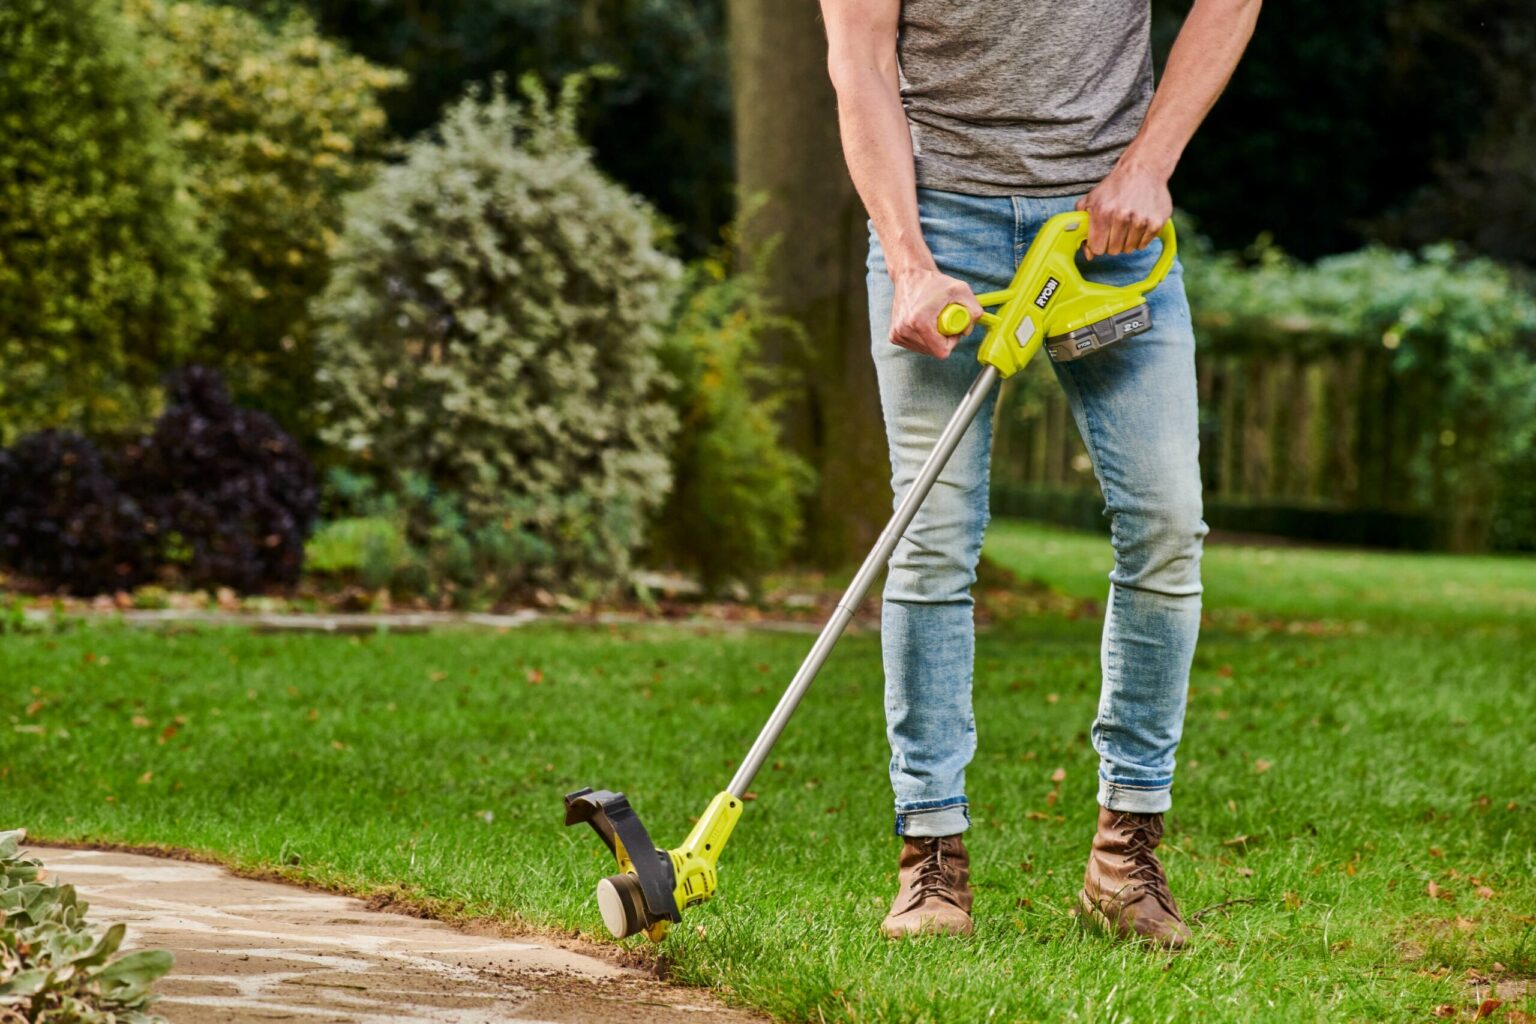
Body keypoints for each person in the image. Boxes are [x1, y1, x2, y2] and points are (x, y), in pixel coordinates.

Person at [818, 0, 1261, 948]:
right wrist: (907, 260)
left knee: (1167, 525)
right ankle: (931, 859)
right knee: (931, 541)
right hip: (941, 220)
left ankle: (1125, 857)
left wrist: (1148, 163)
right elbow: (857, 57)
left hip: (1110, 227)